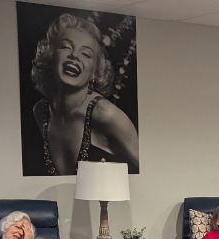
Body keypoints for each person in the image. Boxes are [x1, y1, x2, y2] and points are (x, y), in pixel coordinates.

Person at [30, 13, 140, 176]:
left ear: (95, 72)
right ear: (51, 56)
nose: (74, 55)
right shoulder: (41, 111)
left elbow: (151, 171)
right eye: (66, 46)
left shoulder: (106, 115)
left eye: (86, 54)